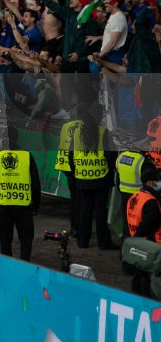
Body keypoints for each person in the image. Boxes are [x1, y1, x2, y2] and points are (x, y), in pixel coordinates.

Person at [71, 104, 118, 250]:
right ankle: (104, 243)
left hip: (83, 178)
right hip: (101, 179)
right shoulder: (104, 132)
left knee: (85, 210)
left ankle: (82, 241)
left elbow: (70, 155)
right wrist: (109, 172)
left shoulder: (77, 132)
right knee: (100, 212)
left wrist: (77, 171)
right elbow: (111, 155)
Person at [0, 130, 41, 261]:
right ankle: (25, 265)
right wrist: (36, 205)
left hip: (3, 205)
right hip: (23, 205)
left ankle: (7, 268)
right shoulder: (27, 156)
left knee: (5, 240)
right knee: (26, 239)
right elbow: (35, 183)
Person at [125, 162, 161, 295]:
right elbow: (150, 223)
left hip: (136, 240)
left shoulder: (134, 197)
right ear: (151, 182)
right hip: (148, 243)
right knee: (146, 275)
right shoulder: (151, 202)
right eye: (158, 180)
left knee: (138, 273)